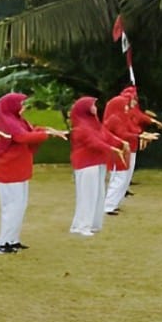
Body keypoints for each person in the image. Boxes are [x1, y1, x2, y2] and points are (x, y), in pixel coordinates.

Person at [0, 93, 67, 254]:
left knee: (20, 205)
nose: (24, 107)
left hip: (19, 168)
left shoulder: (18, 120)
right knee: (11, 206)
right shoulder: (7, 122)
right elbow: (22, 137)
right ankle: (2, 242)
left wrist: (47, 130)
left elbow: (30, 130)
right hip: (9, 170)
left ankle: (13, 239)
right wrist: (47, 134)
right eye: (21, 104)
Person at [69, 97, 127, 237]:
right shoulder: (81, 127)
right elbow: (93, 142)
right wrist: (112, 148)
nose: (95, 108)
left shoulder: (94, 124)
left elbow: (105, 135)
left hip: (97, 162)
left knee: (98, 194)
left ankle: (92, 223)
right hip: (86, 164)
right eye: (93, 105)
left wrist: (120, 142)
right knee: (87, 195)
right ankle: (82, 226)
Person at [102, 94, 158, 215]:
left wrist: (143, 134)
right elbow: (123, 134)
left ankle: (114, 203)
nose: (128, 107)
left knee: (124, 178)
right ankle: (108, 205)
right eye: (126, 105)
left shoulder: (122, 117)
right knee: (119, 177)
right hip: (118, 150)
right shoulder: (115, 119)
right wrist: (140, 136)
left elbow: (131, 130)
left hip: (125, 149)